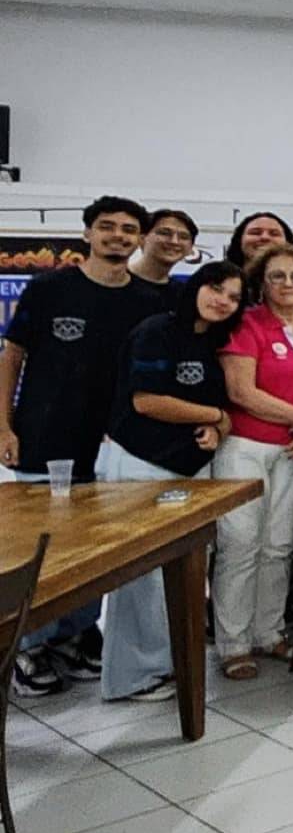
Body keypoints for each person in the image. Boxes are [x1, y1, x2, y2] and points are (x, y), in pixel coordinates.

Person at [1, 194, 164, 697]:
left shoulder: (148, 300)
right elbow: (12, 358)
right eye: (107, 226)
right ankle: (27, 645)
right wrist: (4, 427)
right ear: (88, 233)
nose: (118, 236)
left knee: (94, 545)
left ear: (140, 239)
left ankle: (73, 634)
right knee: (41, 546)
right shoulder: (49, 289)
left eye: (128, 229)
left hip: (111, 447)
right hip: (43, 436)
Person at [97, 261, 244, 703]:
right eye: (216, 288)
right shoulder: (156, 331)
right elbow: (147, 401)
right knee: (138, 577)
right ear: (195, 286)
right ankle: (131, 678)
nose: (223, 301)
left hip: (187, 469)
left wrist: (216, 428)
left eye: (234, 297)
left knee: (178, 575)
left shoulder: (210, 341)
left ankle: (165, 664)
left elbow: (209, 402)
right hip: (141, 464)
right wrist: (216, 416)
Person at [213, 243, 293, 679]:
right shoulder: (246, 325)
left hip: (292, 451)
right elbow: (242, 392)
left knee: (279, 546)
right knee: (240, 545)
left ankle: (268, 631)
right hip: (245, 449)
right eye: (277, 276)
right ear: (261, 284)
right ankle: (233, 643)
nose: (288, 284)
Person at [130, 208, 198, 287]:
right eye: (165, 233)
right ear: (142, 239)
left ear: (191, 248)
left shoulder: (184, 291)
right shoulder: (118, 281)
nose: (174, 241)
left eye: (183, 237)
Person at [225, 212, 293, 273]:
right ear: (239, 240)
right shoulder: (219, 279)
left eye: (274, 234)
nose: (265, 237)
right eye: (255, 233)